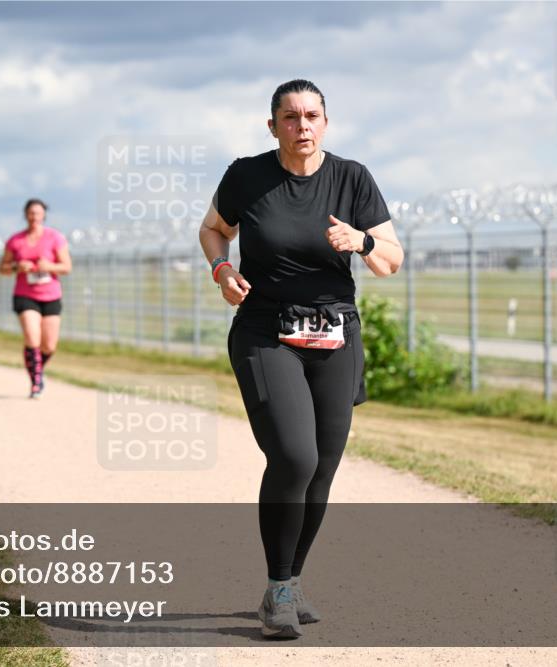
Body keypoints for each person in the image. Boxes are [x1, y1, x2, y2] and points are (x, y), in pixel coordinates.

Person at [198, 79, 404, 638]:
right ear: (273, 127)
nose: (303, 125)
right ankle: (281, 585)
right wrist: (222, 271)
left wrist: (360, 241)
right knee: (294, 456)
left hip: (336, 332)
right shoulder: (247, 175)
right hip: (266, 331)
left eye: (312, 115)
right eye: (290, 117)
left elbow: (391, 259)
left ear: (326, 122)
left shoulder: (352, 177)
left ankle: (286, 585)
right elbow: (214, 230)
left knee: (324, 465)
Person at [0, 198, 71, 398]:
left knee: (49, 345)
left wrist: (49, 266)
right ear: (26, 215)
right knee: (32, 337)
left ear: (44, 215)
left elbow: (67, 266)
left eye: (38, 213)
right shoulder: (16, 240)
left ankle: (37, 369)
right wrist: (16, 267)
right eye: (31, 213)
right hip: (25, 294)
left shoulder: (55, 238)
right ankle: (36, 382)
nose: (34, 217)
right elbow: (2, 268)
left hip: (50, 295)